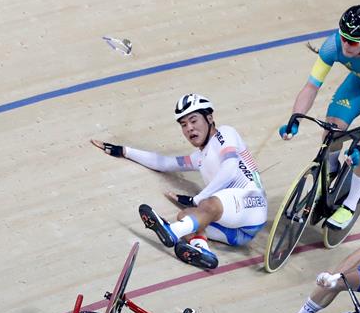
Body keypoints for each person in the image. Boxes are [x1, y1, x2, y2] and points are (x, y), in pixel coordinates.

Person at [90, 93, 267, 269]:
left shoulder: (225, 134)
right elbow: (164, 163)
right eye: (183, 124)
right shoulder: (199, 157)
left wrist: (199, 198)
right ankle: (203, 250)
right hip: (236, 232)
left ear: (210, 118)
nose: (189, 128)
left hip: (253, 204)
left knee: (208, 204)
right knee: (187, 216)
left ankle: (172, 231)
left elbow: (229, 169)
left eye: (193, 120)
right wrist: (124, 151)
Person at [278, 4, 360, 229]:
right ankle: (329, 171)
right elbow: (311, 87)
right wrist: (295, 119)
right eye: (343, 38)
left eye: (352, 42)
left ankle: (351, 203)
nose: (346, 45)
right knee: (333, 125)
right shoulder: (333, 45)